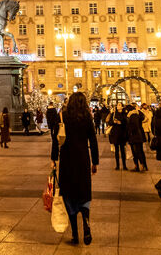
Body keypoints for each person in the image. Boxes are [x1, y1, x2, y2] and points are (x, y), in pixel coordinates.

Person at [50, 92, 99, 245]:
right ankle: (86, 221)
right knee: (83, 193)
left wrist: (53, 158)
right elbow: (93, 140)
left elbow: (55, 138)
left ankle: (75, 234)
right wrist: (95, 162)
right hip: (83, 159)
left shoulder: (63, 116)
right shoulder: (87, 117)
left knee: (69, 195)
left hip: (67, 159)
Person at [127, 105, 148, 171]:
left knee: (136, 152)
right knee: (140, 151)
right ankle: (144, 165)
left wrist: (129, 132)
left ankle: (139, 166)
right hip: (139, 135)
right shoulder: (137, 113)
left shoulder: (132, 115)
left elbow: (134, 126)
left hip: (134, 136)